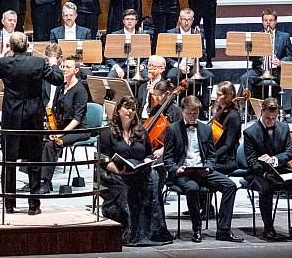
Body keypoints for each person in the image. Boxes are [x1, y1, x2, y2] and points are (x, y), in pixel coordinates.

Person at [0, 32, 53, 214]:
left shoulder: (4, 63)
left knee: (9, 160)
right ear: (28, 46)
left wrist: (2, 54)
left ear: (12, 47)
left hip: (12, 116)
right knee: (34, 160)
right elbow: (57, 78)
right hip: (33, 116)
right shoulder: (38, 63)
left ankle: (9, 203)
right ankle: (34, 205)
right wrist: (53, 64)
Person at [162, 96, 241, 244]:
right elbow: (168, 158)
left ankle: (223, 230)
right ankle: (197, 230)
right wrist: (176, 169)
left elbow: (211, 155)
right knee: (192, 188)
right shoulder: (172, 130)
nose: (193, 116)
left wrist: (209, 167)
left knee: (230, 185)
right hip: (183, 173)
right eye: (189, 113)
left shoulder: (206, 129)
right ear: (182, 111)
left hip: (202, 171)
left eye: (196, 113)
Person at [99, 95, 171, 246]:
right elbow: (103, 159)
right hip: (116, 172)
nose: (130, 111)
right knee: (127, 187)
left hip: (137, 171)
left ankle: (153, 231)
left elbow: (148, 153)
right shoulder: (107, 132)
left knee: (153, 178)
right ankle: (131, 230)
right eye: (127, 108)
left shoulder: (141, 131)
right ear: (118, 110)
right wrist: (120, 171)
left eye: (133, 109)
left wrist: (147, 160)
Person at [43, 56, 90, 191]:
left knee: (52, 144)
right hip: (62, 127)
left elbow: (77, 119)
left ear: (76, 70)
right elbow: (55, 110)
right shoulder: (61, 86)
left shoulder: (80, 90)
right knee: (37, 138)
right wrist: (49, 127)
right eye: (63, 66)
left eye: (68, 67)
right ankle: (33, 179)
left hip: (78, 130)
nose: (64, 69)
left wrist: (60, 134)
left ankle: (45, 182)